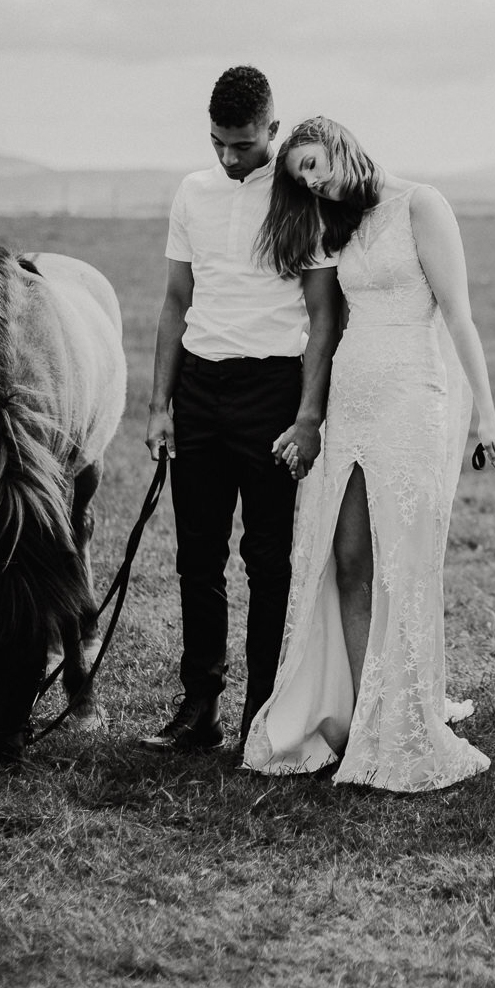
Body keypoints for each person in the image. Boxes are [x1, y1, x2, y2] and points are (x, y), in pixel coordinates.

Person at [242, 116, 495, 792]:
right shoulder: (341, 222)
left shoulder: (421, 204)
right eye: (299, 172)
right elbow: (327, 319)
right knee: (349, 557)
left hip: (413, 397)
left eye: (314, 162)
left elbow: (459, 314)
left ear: (340, 143)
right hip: (352, 400)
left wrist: (488, 416)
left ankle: (409, 721)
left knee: (403, 563)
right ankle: (365, 717)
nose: (312, 178)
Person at [141, 68, 342, 756]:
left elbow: (322, 315)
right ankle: (199, 706)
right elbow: (175, 300)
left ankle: (261, 709)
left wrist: (309, 416)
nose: (230, 158)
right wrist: (160, 404)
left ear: (274, 131)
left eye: (245, 144)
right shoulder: (192, 193)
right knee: (196, 559)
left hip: (271, 393)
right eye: (219, 143)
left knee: (267, 561)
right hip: (198, 388)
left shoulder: (300, 200)